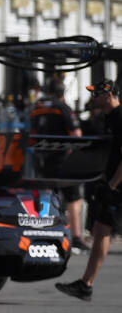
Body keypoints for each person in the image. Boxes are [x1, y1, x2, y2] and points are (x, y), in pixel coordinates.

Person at [56, 81, 122, 301]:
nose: (93, 97)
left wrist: (112, 184)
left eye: (97, 94)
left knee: (103, 228)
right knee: (101, 228)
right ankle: (86, 284)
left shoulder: (120, 117)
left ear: (110, 94)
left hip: (118, 186)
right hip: (112, 185)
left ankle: (86, 283)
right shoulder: (107, 119)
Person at [31, 77, 86, 252]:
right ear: (62, 93)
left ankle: (43, 233)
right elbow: (76, 134)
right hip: (63, 161)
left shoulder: (36, 108)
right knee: (74, 198)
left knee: (46, 196)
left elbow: (31, 135)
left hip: (42, 160)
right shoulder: (63, 107)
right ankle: (76, 237)